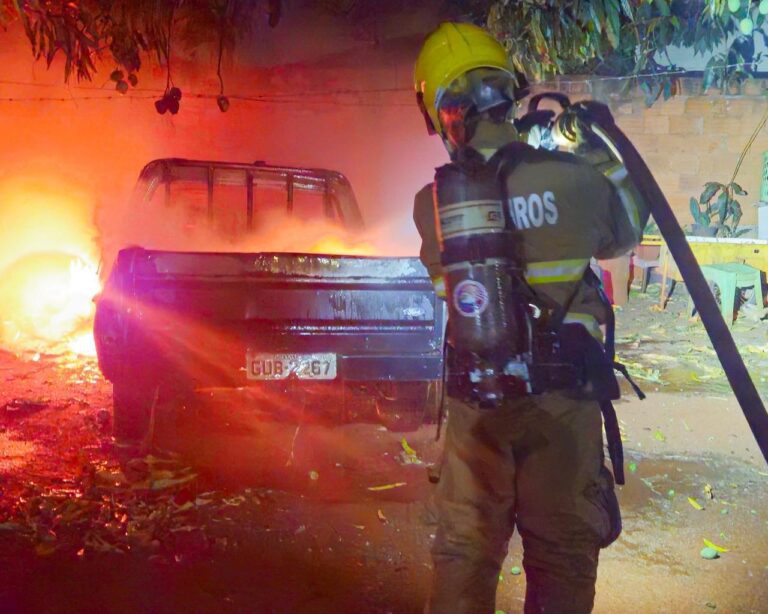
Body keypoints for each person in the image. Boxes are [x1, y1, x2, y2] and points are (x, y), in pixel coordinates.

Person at [412, 22, 650, 613]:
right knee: (562, 554)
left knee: (465, 550)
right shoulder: (574, 180)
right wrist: (596, 146)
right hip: (563, 402)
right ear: (509, 93)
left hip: (478, 401)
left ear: (444, 114)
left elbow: (446, 289)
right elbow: (626, 232)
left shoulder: (432, 205)